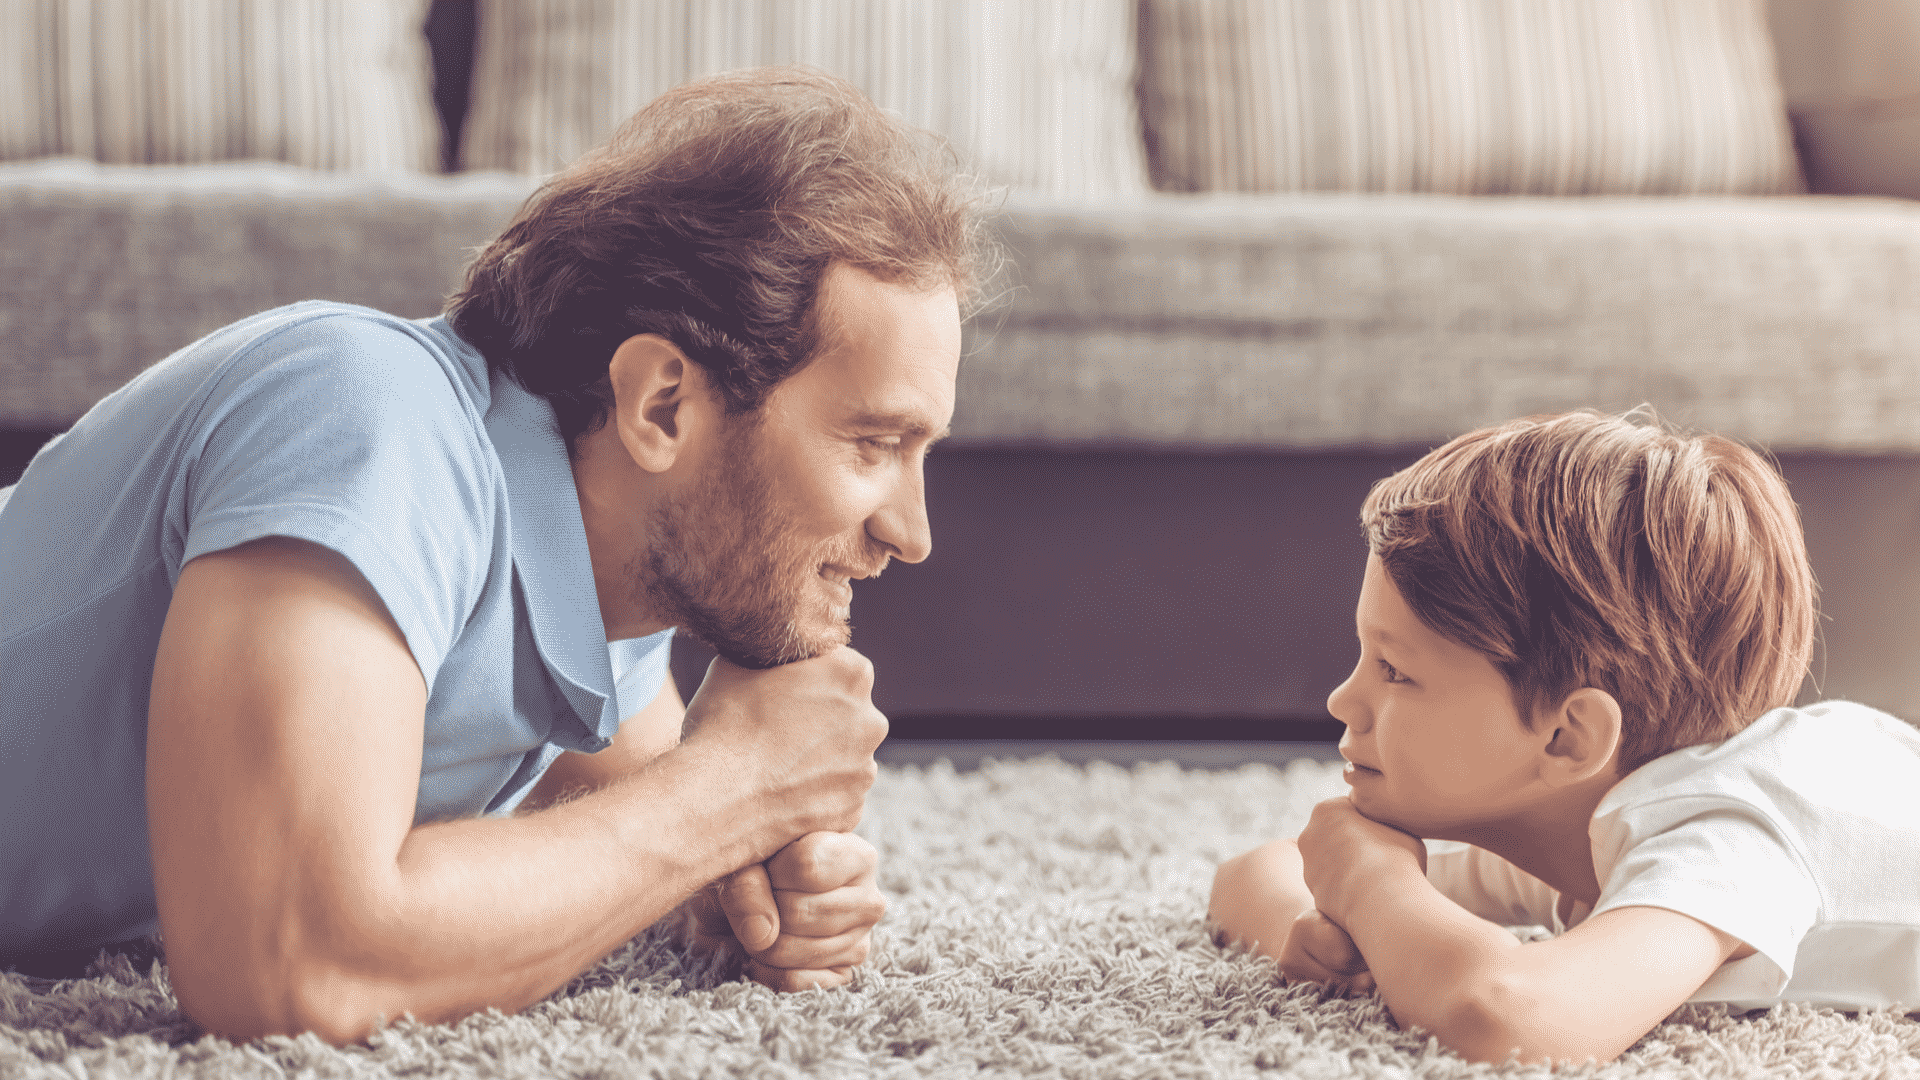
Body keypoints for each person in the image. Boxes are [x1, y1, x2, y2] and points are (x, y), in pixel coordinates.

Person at [0, 67, 993, 1042]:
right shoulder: (364, 419)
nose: (912, 532)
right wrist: (732, 791)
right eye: (874, 445)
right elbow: (286, 962)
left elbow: (635, 838)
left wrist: (730, 889)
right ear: (663, 406)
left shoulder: (613, 600)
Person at [1208, 409, 1920, 1065]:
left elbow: (1510, 1018)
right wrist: (1316, 926)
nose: (1343, 699)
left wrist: (1370, 884)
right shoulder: (1569, 819)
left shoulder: (1724, 836)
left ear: (1567, 739)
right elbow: (1249, 875)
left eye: (1394, 670)